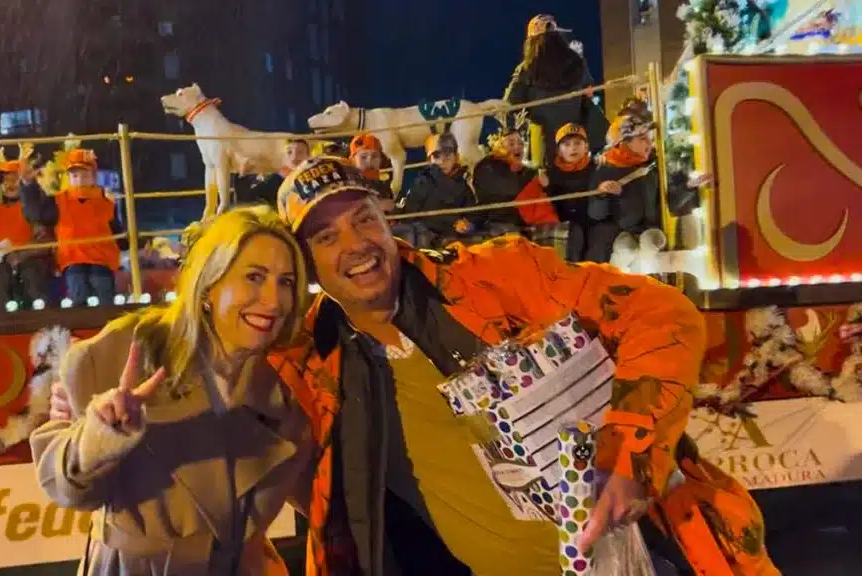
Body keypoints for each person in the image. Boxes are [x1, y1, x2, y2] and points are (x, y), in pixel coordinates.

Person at [265, 157, 777, 575]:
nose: (356, 245)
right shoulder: (310, 363)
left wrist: (629, 455)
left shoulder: (496, 277)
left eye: (363, 218)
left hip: (646, 552)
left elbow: (663, 314)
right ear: (305, 262)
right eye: (325, 237)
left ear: (386, 220)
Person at [30, 205, 316, 576]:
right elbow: (66, 488)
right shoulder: (124, 351)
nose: (274, 300)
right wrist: (96, 440)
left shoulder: (285, 385)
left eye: (286, 282)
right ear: (209, 285)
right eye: (254, 277)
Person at [19, 148, 126, 305]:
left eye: (85, 175)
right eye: (75, 175)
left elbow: (118, 233)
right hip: (73, 260)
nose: (80, 179)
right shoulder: (57, 201)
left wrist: (131, 241)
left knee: (103, 290)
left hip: (101, 260)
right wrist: (28, 185)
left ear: (93, 177)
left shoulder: (107, 202)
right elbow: (35, 214)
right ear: (69, 177)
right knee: (78, 291)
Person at [503, 14, 608, 164]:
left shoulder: (527, 69)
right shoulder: (577, 62)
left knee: (547, 183)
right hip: (577, 140)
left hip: (545, 143)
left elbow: (509, 104)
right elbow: (588, 93)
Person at [471, 117, 560, 240]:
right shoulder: (487, 165)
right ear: (499, 145)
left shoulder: (525, 170)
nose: (517, 147)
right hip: (495, 221)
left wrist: (547, 185)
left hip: (524, 222)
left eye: (520, 143)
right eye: (511, 143)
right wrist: (534, 177)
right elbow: (509, 189)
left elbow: (548, 195)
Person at [0, 146, 52, 310]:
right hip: (1, 263)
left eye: (14, 178)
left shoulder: (34, 209)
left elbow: (45, 241)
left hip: (31, 260)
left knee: (31, 274)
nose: (9, 184)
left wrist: (22, 255)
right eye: (5, 180)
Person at [545, 123, 620, 260]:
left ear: (586, 147)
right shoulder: (550, 174)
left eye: (577, 143)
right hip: (568, 228)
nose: (573, 148)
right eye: (566, 144)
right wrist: (546, 187)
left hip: (595, 224)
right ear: (558, 150)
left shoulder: (599, 168)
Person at [391, 133, 477, 249]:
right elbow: (412, 215)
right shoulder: (423, 182)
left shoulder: (463, 184)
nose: (442, 162)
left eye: (447, 156)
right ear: (429, 160)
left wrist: (468, 225)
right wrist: (453, 223)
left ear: (456, 157)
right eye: (436, 157)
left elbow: (472, 212)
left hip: (453, 236)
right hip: (428, 236)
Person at [234, 139, 312, 207]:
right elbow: (246, 199)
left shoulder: (317, 177)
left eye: (300, 152)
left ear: (308, 156)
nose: (294, 157)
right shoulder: (274, 181)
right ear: (283, 158)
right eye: (289, 152)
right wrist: (242, 175)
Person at [349, 133, 394, 211]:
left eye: (375, 156)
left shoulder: (384, 185)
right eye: (363, 157)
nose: (369, 161)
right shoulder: (347, 184)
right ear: (353, 160)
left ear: (381, 160)